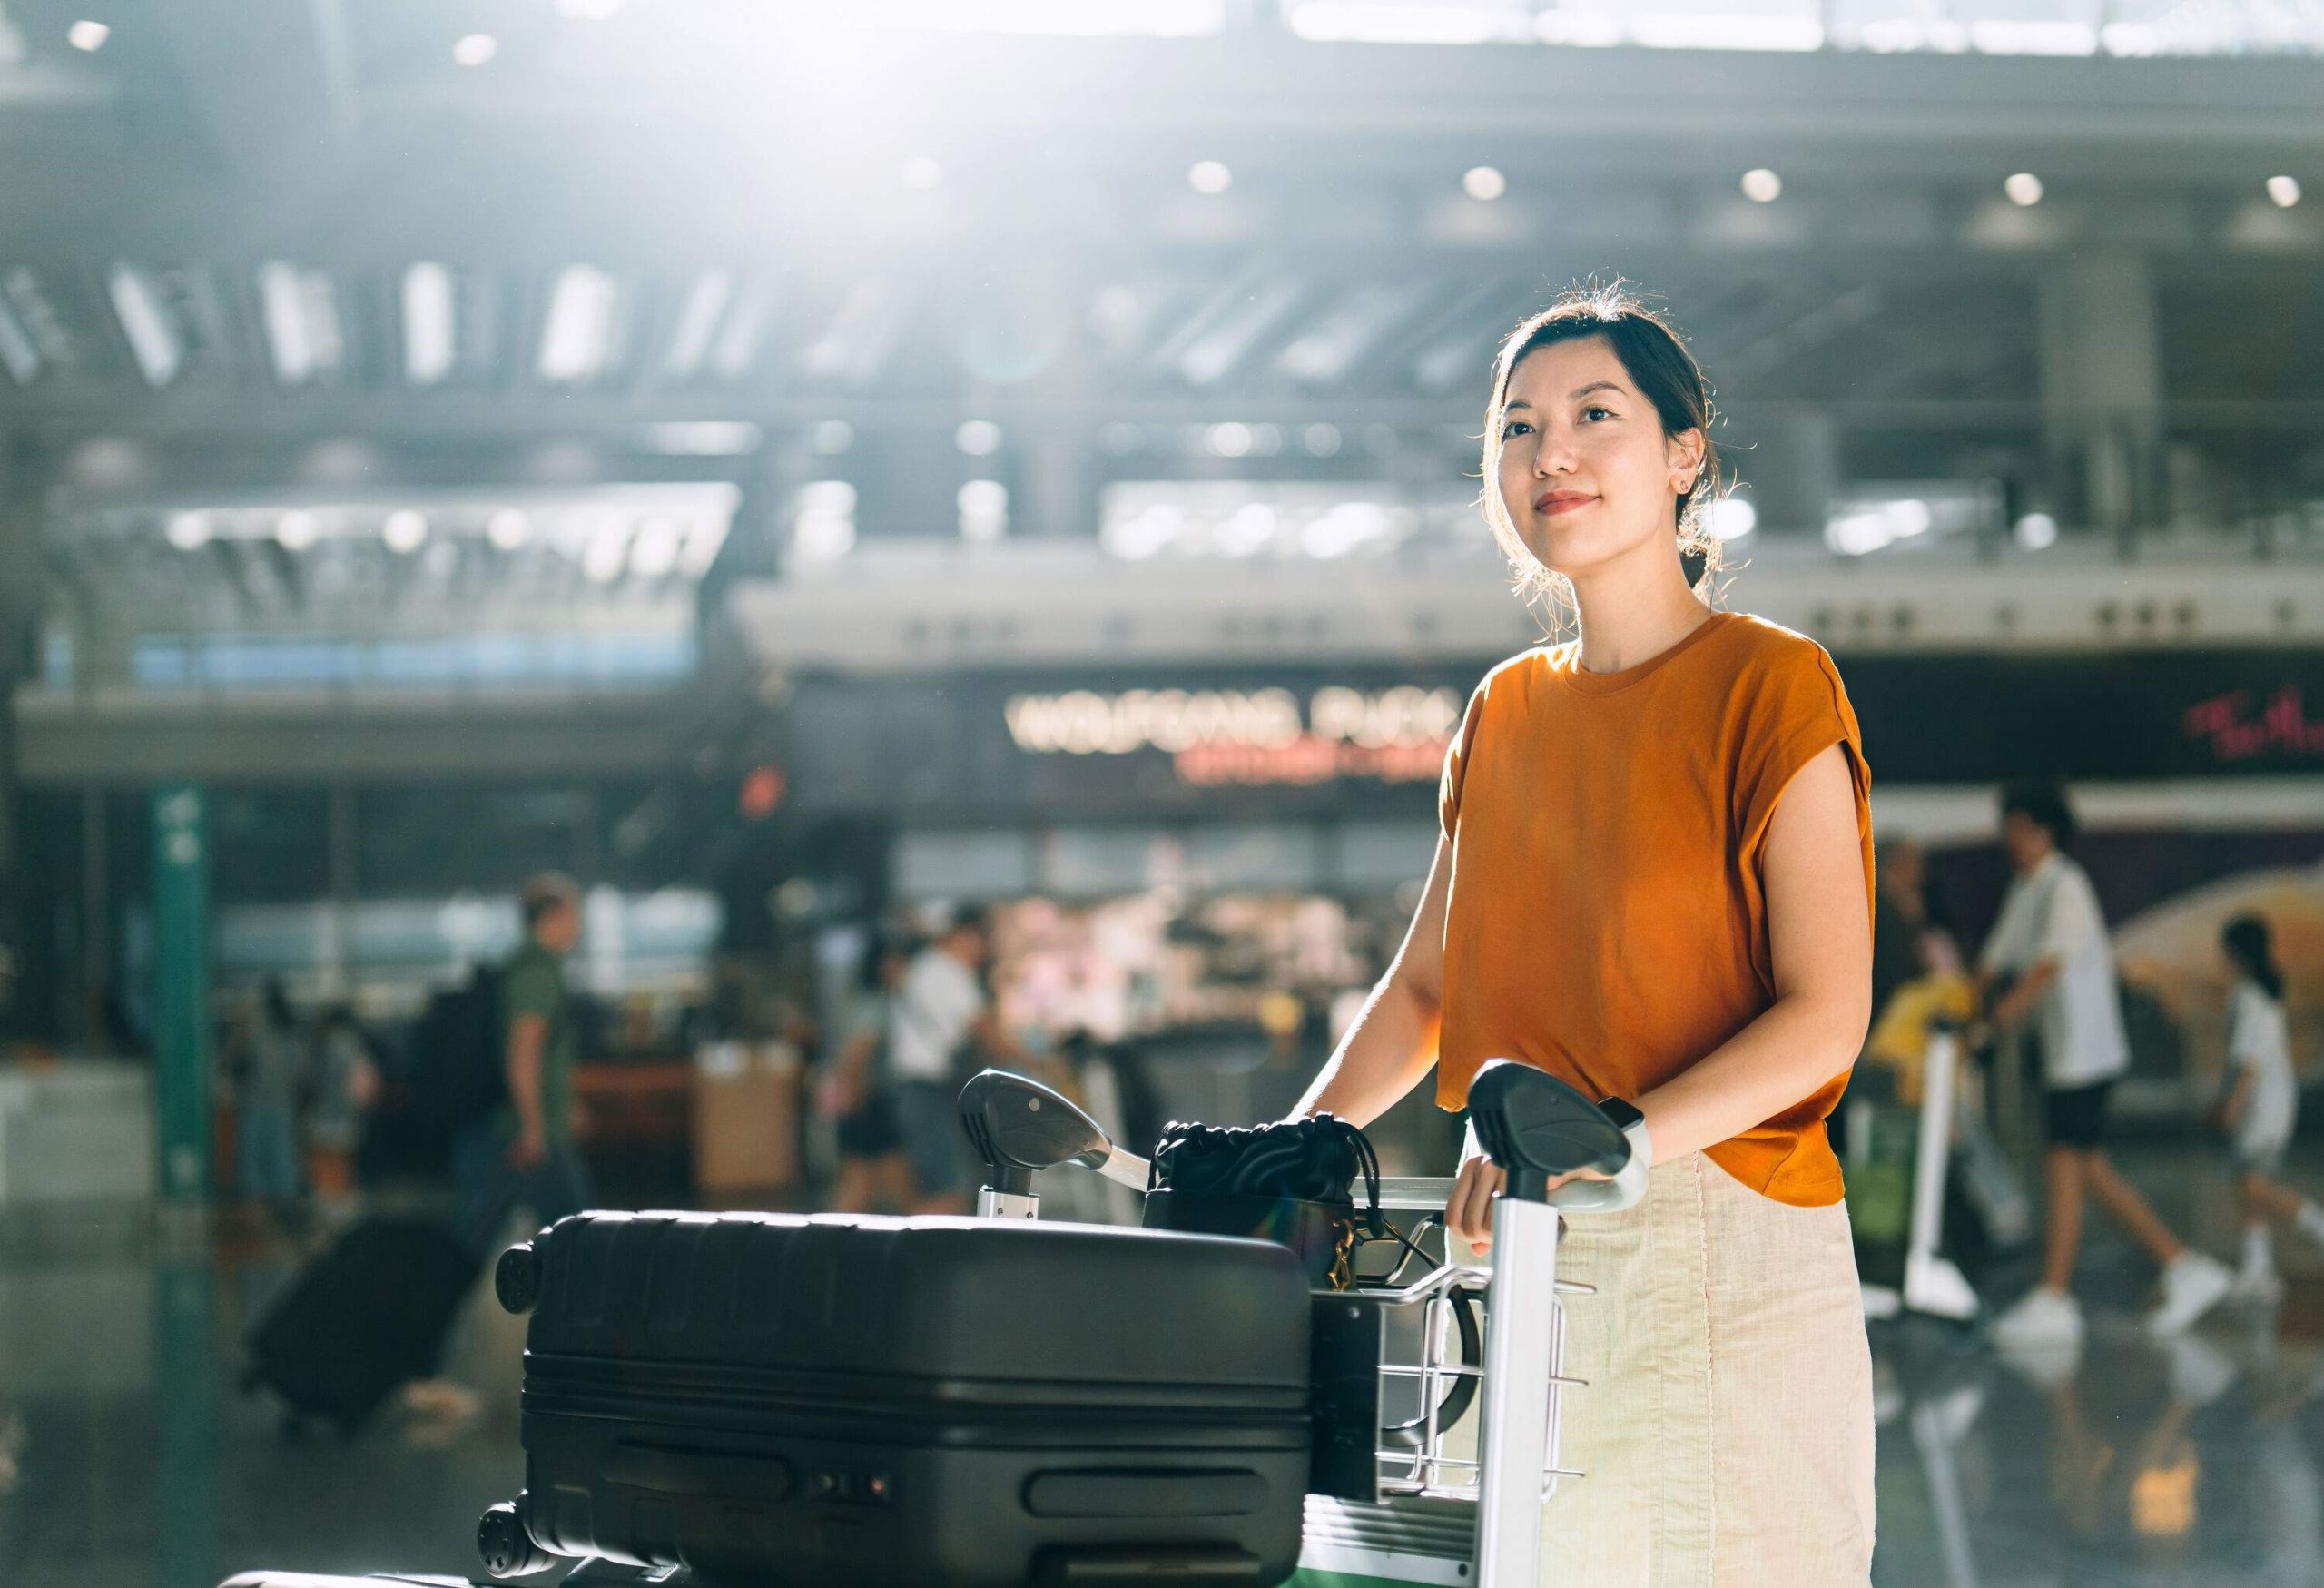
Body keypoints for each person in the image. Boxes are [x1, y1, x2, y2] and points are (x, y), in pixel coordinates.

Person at [1292, 283, 1877, 1583]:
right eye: (1518, 425)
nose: (1548, 451)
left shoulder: (1771, 685)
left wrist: (1608, 1144)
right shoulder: (1504, 712)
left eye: (1593, 414)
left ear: (1685, 456)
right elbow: (1426, 988)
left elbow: (1825, 1012)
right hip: (1514, 1258)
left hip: (1716, 1239)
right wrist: (1297, 1147)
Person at [1981, 783, 2230, 1349]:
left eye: (2017, 827)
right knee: (2083, 1167)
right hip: (2066, 1055)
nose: (2009, 839)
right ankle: (2182, 1266)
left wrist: (1996, 1020)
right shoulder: (2031, 888)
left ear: (2043, 831)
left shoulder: (2065, 886)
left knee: (2067, 1165)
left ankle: (2057, 1295)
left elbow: (2044, 967)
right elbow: (1998, 956)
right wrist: (1966, 999)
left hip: (2085, 1054)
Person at [449, 873, 594, 1258]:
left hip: (529, 1124)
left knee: (490, 1226)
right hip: (530, 1128)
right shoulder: (536, 973)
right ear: (553, 916)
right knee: (577, 1233)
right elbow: (523, 1052)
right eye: (574, 914)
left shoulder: (527, 966)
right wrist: (532, 1127)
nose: (579, 925)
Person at [2210, 912, 2322, 1300]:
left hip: (2263, 1105)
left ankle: (2315, 1222)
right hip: (2264, 1100)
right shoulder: (2255, 992)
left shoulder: (2251, 996)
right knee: (2249, 1186)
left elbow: (2249, 1061)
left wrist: (2232, 1105)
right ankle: (2259, 1271)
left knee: (2256, 1186)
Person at [886, 907, 1027, 1214]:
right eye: (982, 943)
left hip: (917, 1091)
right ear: (965, 935)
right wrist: (1035, 1062)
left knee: (936, 1186)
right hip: (926, 1091)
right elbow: (985, 1030)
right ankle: (917, 1258)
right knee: (948, 1192)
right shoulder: (945, 970)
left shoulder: (927, 967)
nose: (982, 953)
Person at [822, 938, 917, 1214]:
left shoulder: (864, 1001)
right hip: (870, 1103)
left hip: (861, 1103)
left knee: (859, 1185)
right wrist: (855, 1099)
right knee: (886, 1185)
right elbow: (856, 1054)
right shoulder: (875, 1003)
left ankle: (825, 1247)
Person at [232, 978, 309, 1228]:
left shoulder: (256, 1034)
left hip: (255, 1105)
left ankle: (257, 1220)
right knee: (282, 1161)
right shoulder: (293, 1037)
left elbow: (237, 1065)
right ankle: (284, 1218)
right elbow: (300, 1076)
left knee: (254, 1163)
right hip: (282, 1106)